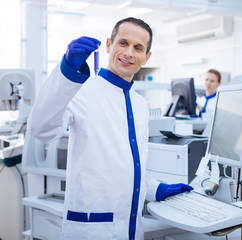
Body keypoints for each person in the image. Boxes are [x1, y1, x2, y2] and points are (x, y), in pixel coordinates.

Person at [27, 17, 192, 240]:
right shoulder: (82, 90)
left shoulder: (140, 104)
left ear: (146, 57)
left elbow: (128, 167)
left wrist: (156, 189)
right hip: (92, 229)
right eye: (123, 43)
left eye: (138, 48)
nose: (129, 53)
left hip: (131, 228)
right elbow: (41, 130)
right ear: (108, 45)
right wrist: (66, 71)